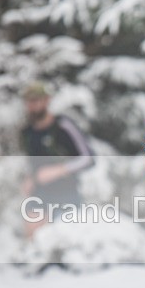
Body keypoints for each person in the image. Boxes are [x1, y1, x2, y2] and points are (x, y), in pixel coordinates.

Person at [19, 81, 94, 238]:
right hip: (39, 194)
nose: (33, 105)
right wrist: (28, 179)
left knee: (65, 237)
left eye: (36, 100)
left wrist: (59, 170)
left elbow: (88, 158)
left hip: (66, 194)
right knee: (33, 236)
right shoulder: (26, 133)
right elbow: (30, 163)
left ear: (47, 100)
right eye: (29, 101)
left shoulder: (63, 126)